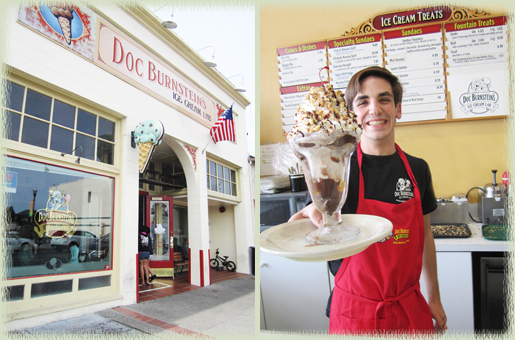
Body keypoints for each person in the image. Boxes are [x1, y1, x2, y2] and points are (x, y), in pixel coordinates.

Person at [290, 66, 448, 335]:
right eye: (363, 101)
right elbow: (310, 221)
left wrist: (433, 297)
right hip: (354, 313)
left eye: (384, 99)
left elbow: (425, 236)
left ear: (398, 109)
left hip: (409, 309)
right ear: (352, 115)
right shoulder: (333, 168)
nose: (375, 109)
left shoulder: (417, 169)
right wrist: (310, 215)